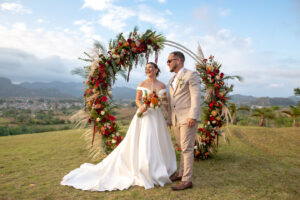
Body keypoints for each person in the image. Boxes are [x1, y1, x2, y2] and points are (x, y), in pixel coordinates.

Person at [61, 62, 177, 191]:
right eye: (146, 68)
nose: (148, 70)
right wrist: (142, 107)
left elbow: (165, 101)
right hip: (144, 115)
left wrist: (169, 116)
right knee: (146, 140)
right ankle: (145, 167)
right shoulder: (141, 84)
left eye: (150, 67)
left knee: (158, 140)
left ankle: (159, 167)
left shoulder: (161, 85)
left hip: (157, 117)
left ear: (156, 69)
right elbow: (138, 99)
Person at [167, 51, 201, 190]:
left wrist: (192, 115)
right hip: (176, 119)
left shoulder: (191, 75)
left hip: (187, 118)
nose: (167, 63)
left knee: (187, 149)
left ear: (178, 60)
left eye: (169, 61)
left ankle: (187, 181)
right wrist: (169, 118)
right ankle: (181, 174)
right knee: (181, 147)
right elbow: (171, 101)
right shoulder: (171, 80)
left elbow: (196, 96)